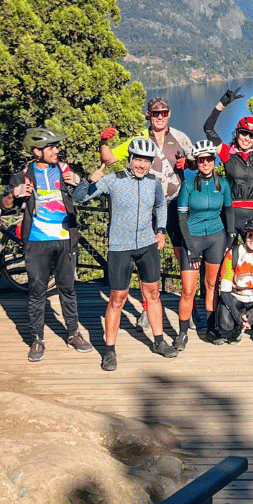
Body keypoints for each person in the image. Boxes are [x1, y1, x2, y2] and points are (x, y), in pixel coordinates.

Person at [75, 137, 178, 370]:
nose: (142, 165)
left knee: (152, 294)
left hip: (147, 246)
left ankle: (159, 341)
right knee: (117, 299)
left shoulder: (153, 182)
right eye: (138, 159)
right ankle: (109, 351)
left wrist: (160, 231)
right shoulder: (113, 180)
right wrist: (88, 182)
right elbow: (79, 198)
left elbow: (161, 206)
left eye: (147, 160)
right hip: (120, 248)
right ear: (130, 159)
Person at [99, 96, 193, 328]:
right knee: (148, 257)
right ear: (148, 115)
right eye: (155, 113)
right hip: (147, 207)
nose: (160, 116)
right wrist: (102, 141)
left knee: (184, 255)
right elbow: (108, 159)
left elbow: (197, 161)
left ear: (169, 114)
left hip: (176, 205)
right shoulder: (139, 139)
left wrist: (188, 165)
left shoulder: (180, 137)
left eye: (164, 112)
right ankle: (145, 308)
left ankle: (188, 307)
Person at [1, 127, 93, 362]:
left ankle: (73, 334)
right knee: (36, 291)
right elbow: (5, 205)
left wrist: (80, 181)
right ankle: (37, 339)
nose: (57, 150)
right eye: (51, 147)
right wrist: (15, 193)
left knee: (68, 289)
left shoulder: (64, 171)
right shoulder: (23, 175)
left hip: (65, 239)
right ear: (36, 151)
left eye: (56, 146)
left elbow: (86, 194)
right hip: (36, 242)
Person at [176, 140, 234, 347]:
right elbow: (181, 218)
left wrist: (231, 234)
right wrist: (190, 247)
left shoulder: (223, 184)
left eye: (210, 158)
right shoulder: (189, 184)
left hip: (215, 238)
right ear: (197, 162)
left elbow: (228, 211)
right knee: (188, 291)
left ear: (214, 160)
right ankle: (182, 333)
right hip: (193, 238)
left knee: (211, 285)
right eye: (202, 160)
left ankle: (210, 329)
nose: (206, 163)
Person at [203, 87, 253, 234]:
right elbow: (208, 129)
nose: (247, 138)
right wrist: (221, 105)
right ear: (237, 133)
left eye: (252, 136)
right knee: (225, 256)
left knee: (252, 256)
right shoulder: (228, 154)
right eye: (244, 133)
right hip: (230, 214)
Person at [215, 215, 253, 343]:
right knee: (224, 323)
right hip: (237, 297)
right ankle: (239, 324)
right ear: (245, 235)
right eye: (251, 236)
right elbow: (224, 291)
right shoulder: (233, 254)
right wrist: (236, 315)